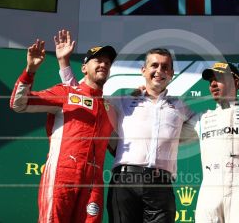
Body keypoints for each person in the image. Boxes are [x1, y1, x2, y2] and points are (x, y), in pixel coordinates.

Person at [58, 44, 195, 222]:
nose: (159, 70)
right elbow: (81, 98)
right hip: (125, 181)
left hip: (161, 184)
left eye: (165, 67)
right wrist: (64, 65)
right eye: (154, 65)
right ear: (144, 70)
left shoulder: (180, 107)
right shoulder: (121, 101)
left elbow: (206, 125)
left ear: (171, 73)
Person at [10, 35, 118, 222]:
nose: (103, 65)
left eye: (107, 62)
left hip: (93, 185)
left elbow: (120, 149)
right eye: (98, 60)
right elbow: (19, 103)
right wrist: (30, 70)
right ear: (84, 68)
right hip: (62, 176)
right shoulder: (66, 93)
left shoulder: (110, 109)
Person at [193, 62, 239, 223]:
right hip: (210, 185)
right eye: (211, 81)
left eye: (219, 78)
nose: (213, 84)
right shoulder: (201, 118)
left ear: (236, 82)